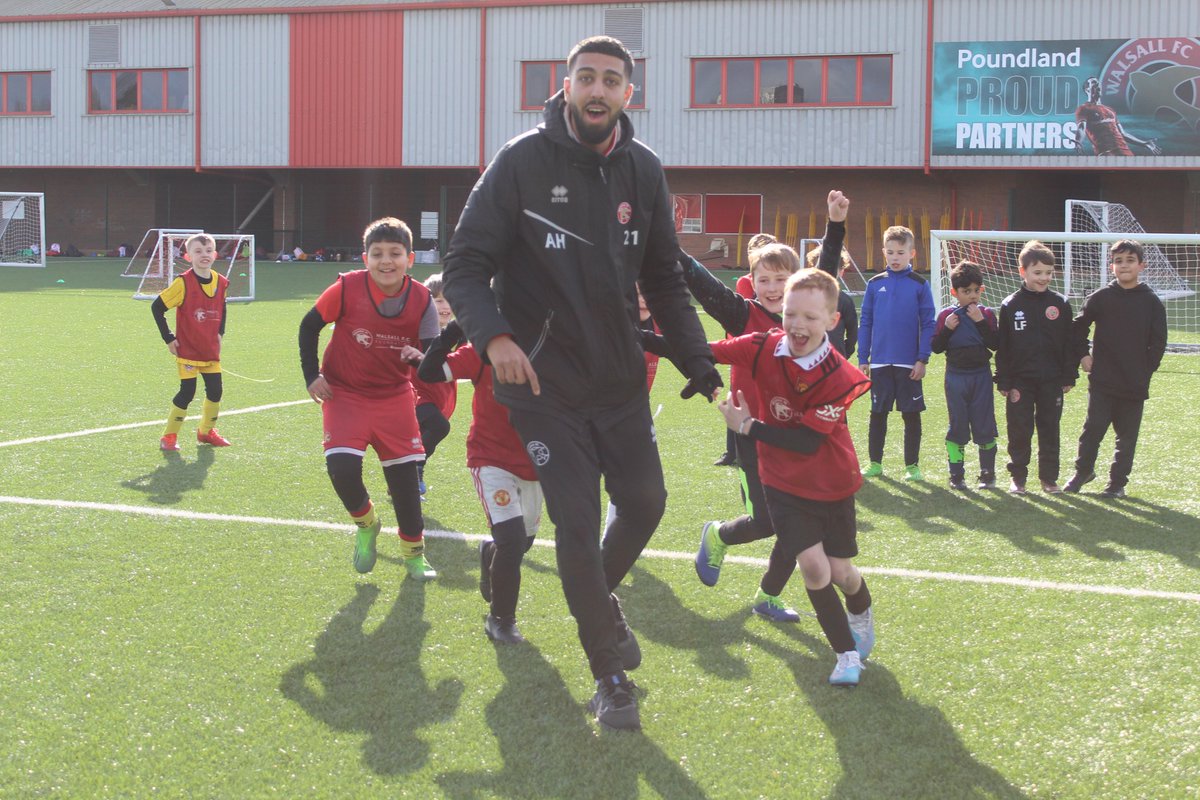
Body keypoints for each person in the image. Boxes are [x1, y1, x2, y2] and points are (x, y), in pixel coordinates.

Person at [442, 35, 721, 733]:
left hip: (618, 379)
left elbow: (666, 278)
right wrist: (495, 338)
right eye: (587, 77)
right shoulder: (520, 161)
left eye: (612, 80)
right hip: (542, 385)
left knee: (647, 502)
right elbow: (465, 263)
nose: (599, 90)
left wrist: (700, 365)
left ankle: (597, 601)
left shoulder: (643, 168)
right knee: (576, 519)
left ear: (629, 93)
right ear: (566, 86)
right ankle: (609, 676)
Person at [686, 190, 848, 620]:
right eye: (764, 280)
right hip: (752, 434)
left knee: (800, 524)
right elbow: (700, 281)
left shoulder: (807, 313)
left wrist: (835, 224)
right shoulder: (743, 315)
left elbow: (826, 270)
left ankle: (768, 595)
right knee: (766, 522)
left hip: (797, 437)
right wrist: (663, 243)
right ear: (752, 282)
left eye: (781, 279)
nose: (773, 288)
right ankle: (718, 535)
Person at [713, 268, 874, 686]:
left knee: (842, 573)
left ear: (832, 321)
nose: (798, 325)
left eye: (810, 317)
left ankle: (861, 614)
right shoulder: (764, 345)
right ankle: (846, 656)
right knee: (815, 570)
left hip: (832, 484)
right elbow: (707, 350)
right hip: (783, 484)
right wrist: (634, 335)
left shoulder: (838, 375)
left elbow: (805, 442)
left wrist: (747, 426)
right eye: (790, 314)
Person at [298, 217, 440, 580]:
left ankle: (414, 556)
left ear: (410, 259)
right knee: (342, 469)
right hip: (344, 393)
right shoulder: (346, 288)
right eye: (377, 254)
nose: (386, 261)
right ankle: (366, 523)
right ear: (365, 258)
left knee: (404, 483)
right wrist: (312, 375)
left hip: (394, 396)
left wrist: (423, 358)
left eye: (395, 253)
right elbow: (309, 325)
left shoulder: (422, 300)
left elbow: (430, 355)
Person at [418, 320, 542, 643]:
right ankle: (501, 620)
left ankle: (490, 552)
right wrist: (454, 329)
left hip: (536, 461)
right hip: (491, 457)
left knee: (522, 543)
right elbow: (429, 371)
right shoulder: (483, 349)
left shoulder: (552, 346)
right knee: (512, 540)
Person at [1064, 240, 1167, 497]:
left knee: (1126, 437)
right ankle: (1083, 472)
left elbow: (1158, 342)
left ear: (1141, 265)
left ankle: (1117, 483)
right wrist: (1083, 355)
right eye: (1118, 261)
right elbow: (1077, 328)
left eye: (1130, 260)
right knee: (1092, 430)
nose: (1124, 266)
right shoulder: (1101, 297)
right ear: (1112, 266)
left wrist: (1145, 370)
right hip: (1103, 380)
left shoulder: (1151, 302)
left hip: (1134, 382)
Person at [994, 240, 1077, 494]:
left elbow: (1069, 343)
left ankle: (1049, 479)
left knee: (1050, 429)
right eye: (1038, 272)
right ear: (1023, 271)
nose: (1044, 278)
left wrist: (1069, 374)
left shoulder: (1060, 304)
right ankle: (1018, 477)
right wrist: (1004, 379)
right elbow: (1003, 346)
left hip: (1052, 380)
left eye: (1048, 273)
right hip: (1020, 381)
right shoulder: (1011, 305)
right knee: (1019, 430)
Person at [856, 226, 936, 480]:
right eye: (890, 252)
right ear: (884, 252)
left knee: (911, 415)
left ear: (912, 253)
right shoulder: (874, 284)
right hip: (879, 363)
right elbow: (866, 321)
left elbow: (929, 323)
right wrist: (863, 358)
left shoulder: (919, 285)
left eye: (901, 252)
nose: (895, 257)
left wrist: (922, 359)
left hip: (908, 364)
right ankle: (875, 463)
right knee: (877, 414)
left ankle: (912, 466)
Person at [150, 232, 231, 451]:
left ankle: (206, 432)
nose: (204, 255)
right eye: (198, 251)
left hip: (209, 349)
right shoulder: (183, 283)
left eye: (208, 251)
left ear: (214, 254)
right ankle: (169, 436)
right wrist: (169, 338)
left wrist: (220, 333)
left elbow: (222, 307)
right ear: (188, 256)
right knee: (187, 392)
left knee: (216, 391)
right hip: (188, 350)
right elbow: (157, 307)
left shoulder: (221, 282)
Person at [930, 260, 1000, 490]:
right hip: (956, 377)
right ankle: (956, 475)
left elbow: (995, 344)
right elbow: (936, 347)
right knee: (958, 424)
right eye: (966, 291)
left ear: (982, 289)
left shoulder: (986, 314)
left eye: (976, 291)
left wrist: (980, 322)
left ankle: (988, 474)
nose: (972, 296)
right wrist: (948, 329)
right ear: (954, 292)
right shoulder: (946, 316)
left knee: (984, 424)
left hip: (981, 376)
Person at [714, 232, 779, 466]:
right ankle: (732, 451)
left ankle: (763, 448)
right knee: (738, 397)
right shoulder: (745, 281)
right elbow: (742, 315)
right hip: (745, 346)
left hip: (768, 346)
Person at [410, 273, 459, 497]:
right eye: (439, 300)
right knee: (439, 427)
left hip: (441, 396)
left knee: (420, 440)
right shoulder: (418, 329)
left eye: (449, 300)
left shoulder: (458, 332)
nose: (445, 306)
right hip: (416, 394)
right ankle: (413, 471)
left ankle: (406, 478)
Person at [1073, 77, 1162, 157]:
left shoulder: (1110, 110)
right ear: (1087, 90)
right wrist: (1078, 141)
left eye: (1098, 83)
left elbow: (1123, 134)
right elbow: (1081, 128)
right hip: (1106, 153)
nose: (1098, 84)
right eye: (1094, 83)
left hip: (1126, 152)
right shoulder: (1084, 108)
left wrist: (1144, 143)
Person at [805, 241, 857, 359]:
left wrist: (844, 353)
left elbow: (852, 332)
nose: (826, 274)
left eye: (831, 270)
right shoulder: (803, 297)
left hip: (834, 359)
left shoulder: (844, 300)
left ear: (841, 272)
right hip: (807, 358)